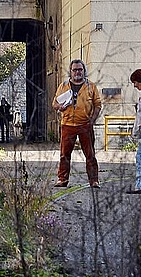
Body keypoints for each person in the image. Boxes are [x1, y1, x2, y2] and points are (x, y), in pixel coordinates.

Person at [52, 59, 101, 188]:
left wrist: (92, 120)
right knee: (64, 154)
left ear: (84, 71)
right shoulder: (63, 86)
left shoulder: (91, 86)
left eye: (80, 69)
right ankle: (62, 179)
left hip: (85, 125)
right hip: (67, 124)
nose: (77, 72)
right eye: (75, 70)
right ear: (71, 72)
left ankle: (94, 180)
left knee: (90, 154)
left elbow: (97, 105)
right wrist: (59, 107)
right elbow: (54, 103)